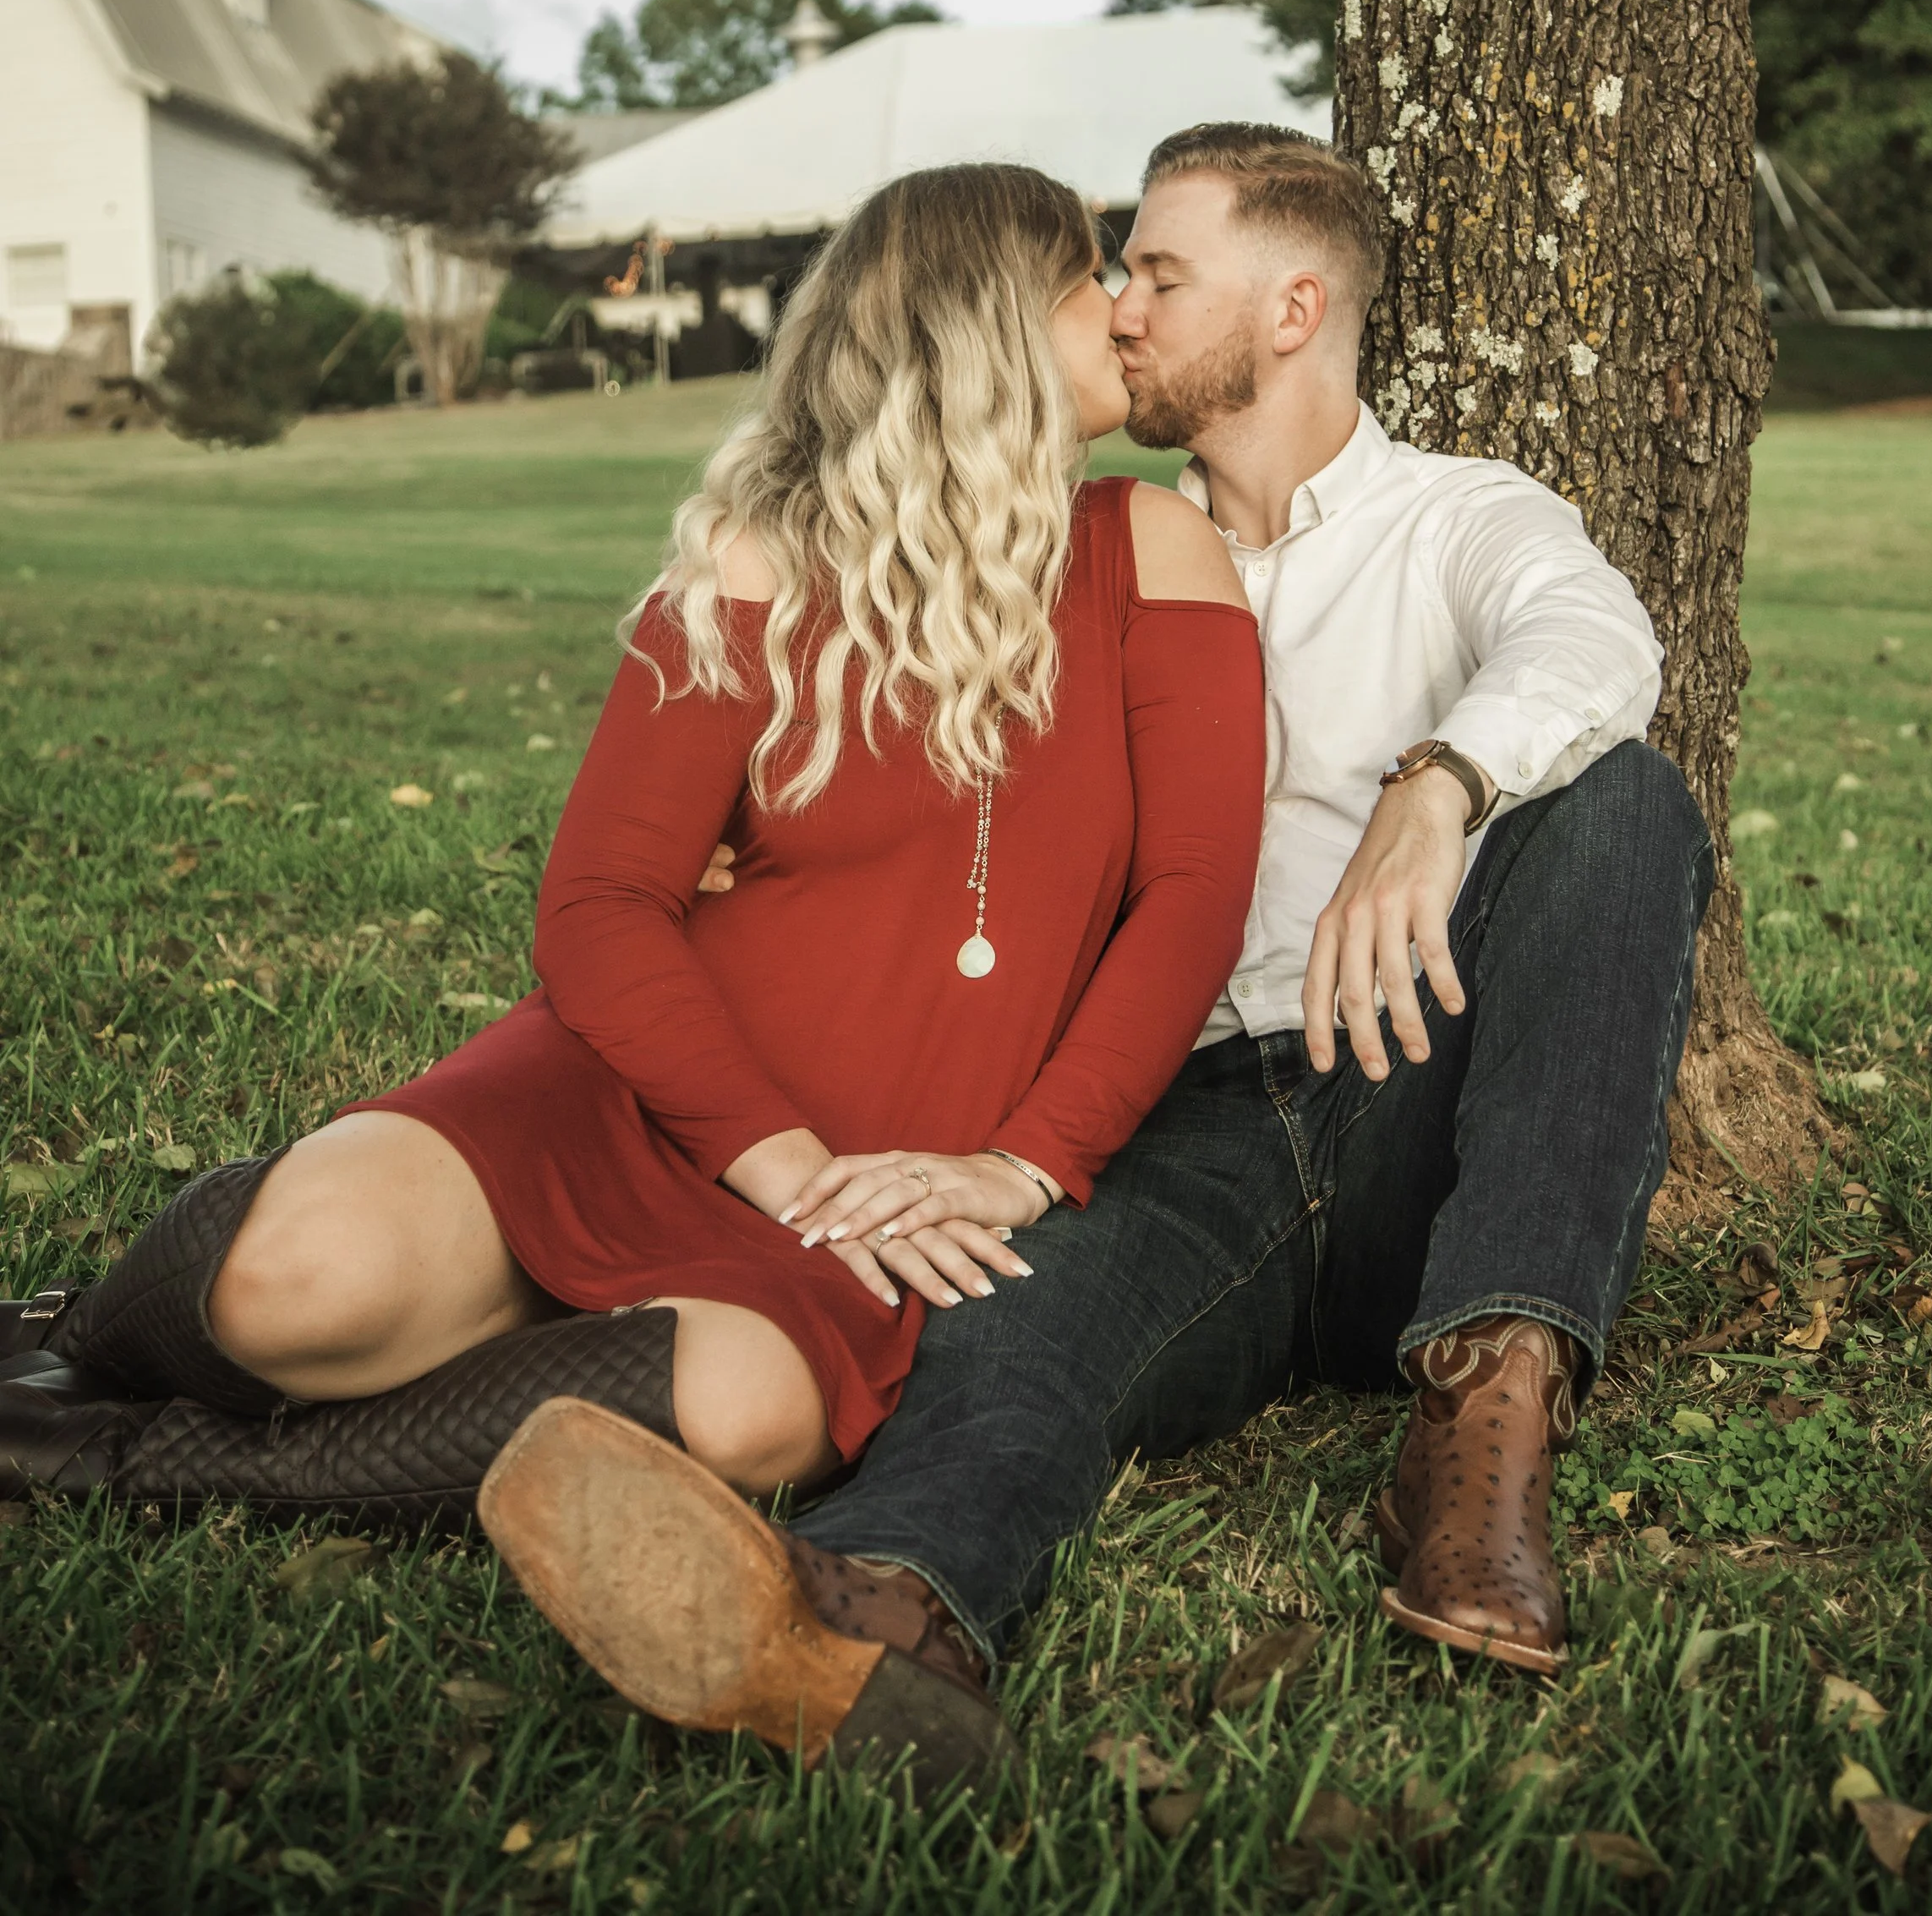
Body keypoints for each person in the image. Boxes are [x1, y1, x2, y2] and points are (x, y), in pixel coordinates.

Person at [468, 122, 1713, 1781]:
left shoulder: (1451, 522)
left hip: (1420, 1092)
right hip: (1177, 1111)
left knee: (1619, 806)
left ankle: (1484, 1422)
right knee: (1004, 1320)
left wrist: (1435, 786)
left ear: (1288, 309)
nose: (1118, 305)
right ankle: (868, 1622)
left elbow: (1594, 640)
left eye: (1157, 275)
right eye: (1112, 277)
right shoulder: (1068, 548)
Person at [0, 162, 1264, 1787]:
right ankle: (81, 1325)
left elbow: (1189, 902)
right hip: (651, 1100)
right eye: (1095, 273)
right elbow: (602, 902)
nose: (1131, 304)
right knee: (290, 1288)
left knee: (740, 1421)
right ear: (986, 324)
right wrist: (779, 1156)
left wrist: (1023, 1163)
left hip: (890, 1188)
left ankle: (122, 1457)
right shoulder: (759, 556)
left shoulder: (1154, 550)